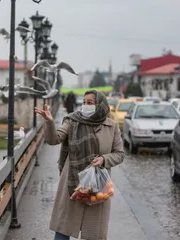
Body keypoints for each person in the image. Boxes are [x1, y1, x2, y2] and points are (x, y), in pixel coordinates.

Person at [34, 90, 125, 240]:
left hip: (97, 185)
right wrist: (49, 122)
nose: (85, 105)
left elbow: (119, 154)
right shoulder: (72, 121)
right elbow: (54, 139)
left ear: (100, 106)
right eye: (84, 102)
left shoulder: (112, 126)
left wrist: (103, 159)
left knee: (94, 234)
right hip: (73, 182)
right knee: (63, 230)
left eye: (90, 103)